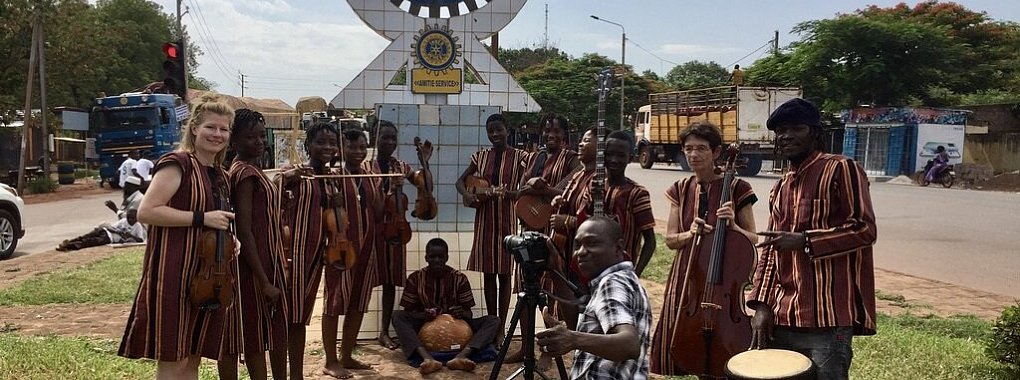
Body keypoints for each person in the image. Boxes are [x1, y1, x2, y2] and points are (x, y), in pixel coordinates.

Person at [748, 98, 877, 380]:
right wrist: (761, 305)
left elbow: (864, 230)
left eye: (797, 128)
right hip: (781, 319)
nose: (786, 136)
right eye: (780, 131)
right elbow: (770, 252)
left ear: (815, 132)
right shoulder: (780, 186)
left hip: (827, 320)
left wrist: (806, 240)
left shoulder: (842, 168)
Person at [118, 94, 237, 379]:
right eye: (211, 127)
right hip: (173, 272)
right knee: (174, 358)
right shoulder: (178, 163)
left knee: (193, 357)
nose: (217, 134)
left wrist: (232, 239)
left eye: (223, 129)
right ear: (194, 128)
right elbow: (147, 211)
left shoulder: (220, 173)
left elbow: (219, 218)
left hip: (208, 277)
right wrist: (201, 218)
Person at [649, 121, 759, 376]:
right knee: (688, 342)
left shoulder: (738, 188)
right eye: (688, 149)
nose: (694, 154)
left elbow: (752, 238)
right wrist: (690, 233)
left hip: (724, 281)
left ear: (717, 152)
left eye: (701, 148)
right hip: (689, 281)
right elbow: (670, 240)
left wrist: (733, 225)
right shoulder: (680, 189)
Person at [536, 217, 652, 380]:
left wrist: (573, 339)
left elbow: (629, 345)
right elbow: (581, 327)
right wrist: (556, 271)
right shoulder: (623, 279)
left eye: (592, 243)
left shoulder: (613, 283)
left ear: (618, 248)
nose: (581, 252)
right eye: (577, 245)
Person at [219, 109, 287, 380]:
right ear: (233, 141)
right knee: (250, 334)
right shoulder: (245, 173)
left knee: (252, 333)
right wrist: (263, 281)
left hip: (261, 262)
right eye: (250, 137)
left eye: (261, 136)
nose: (259, 142)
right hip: (251, 267)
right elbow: (244, 230)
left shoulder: (251, 169)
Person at [455, 113, 530, 343]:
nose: (495, 134)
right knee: (489, 273)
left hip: (507, 218)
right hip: (485, 219)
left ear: (507, 130)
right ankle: (492, 323)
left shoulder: (520, 157)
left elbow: (526, 189)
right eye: (490, 131)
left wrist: (510, 194)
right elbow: (459, 182)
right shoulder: (480, 157)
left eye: (498, 129)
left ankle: (501, 331)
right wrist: (468, 195)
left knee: (505, 274)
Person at [361, 120, 433, 351]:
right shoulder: (365, 168)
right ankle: (355, 331)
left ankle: (383, 332)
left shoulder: (400, 165)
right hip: (370, 230)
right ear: (375, 138)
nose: (390, 142)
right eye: (385, 137)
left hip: (395, 230)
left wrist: (424, 163)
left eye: (393, 138)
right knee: (365, 282)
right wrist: (387, 186)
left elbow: (425, 186)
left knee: (391, 282)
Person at [278, 122, 339, 379]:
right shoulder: (294, 174)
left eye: (331, 143)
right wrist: (288, 177)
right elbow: (274, 187)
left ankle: (296, 375)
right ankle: (294, 375)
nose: (326, 147)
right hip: (295, 255)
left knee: (300, 317)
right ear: (307, 146)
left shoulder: (333, 178)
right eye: (320, 142)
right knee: (291, 318)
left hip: (319, 255)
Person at [321, 128, 383, 379]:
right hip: (341, 249)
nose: (358, 152)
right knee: (334, 303)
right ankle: (330, 360)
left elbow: (378, 213)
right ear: (342, 148)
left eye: (362, 147)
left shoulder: (370, 175)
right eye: (353, 147)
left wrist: (382, 187)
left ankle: (347, 354)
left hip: (367, 248)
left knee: (358, 301)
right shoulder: (333, 175)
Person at [393, 238, 501, 375]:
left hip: (458, 326)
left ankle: (461, 356)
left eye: (440, 256)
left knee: (493, 320)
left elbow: (469, 314)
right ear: (426, 257)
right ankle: (428, 359)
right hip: (425, 325)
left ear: (447, 257)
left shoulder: (459, 278)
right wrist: (423, 315)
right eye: (432, 257)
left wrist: (461, 312)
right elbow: (407, 313)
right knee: (397, 316)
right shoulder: (415, 278)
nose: (437, 260)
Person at [518, 114, 581, 229]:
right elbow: (521, 190)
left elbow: (576, 195)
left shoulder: (571, 159)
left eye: (557, 131)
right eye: (547, 131)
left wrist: (546, 191)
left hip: (557, 227)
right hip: (531, 221)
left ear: (564, 134)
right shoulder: (532, 157)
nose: (551, 135)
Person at [56, 209, 146, 251]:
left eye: (132, 218)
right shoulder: (123, 221)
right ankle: (68, 242)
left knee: (89, 242)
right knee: (86, 236)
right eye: (128, 218)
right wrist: (118, 231)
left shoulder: (138, 226)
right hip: (106, 231)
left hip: (110, 239)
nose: (130, 220)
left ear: (136, 218)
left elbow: (141, 240)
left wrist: (130, 235)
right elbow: (111, 227)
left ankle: (69, 246)